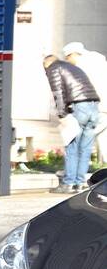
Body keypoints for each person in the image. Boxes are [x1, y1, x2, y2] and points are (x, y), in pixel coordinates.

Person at [44, 53, 101, 192]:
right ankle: (79, 183)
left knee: (71, 146)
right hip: (93, 106)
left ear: (47, 64)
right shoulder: (71, 67)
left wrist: (62, 114)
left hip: (79, 107)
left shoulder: (54, 68)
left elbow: (58, 92)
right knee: (85, 148)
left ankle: (68, 183)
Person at [63, 41, 107, 167]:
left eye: (67, 57)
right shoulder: (99, 61)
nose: (67, 61)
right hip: (102, 106)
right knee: (103, 137)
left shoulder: (82, 66)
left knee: (76, 136)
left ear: (73, 55)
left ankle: (75, 171)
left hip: (93, 107)